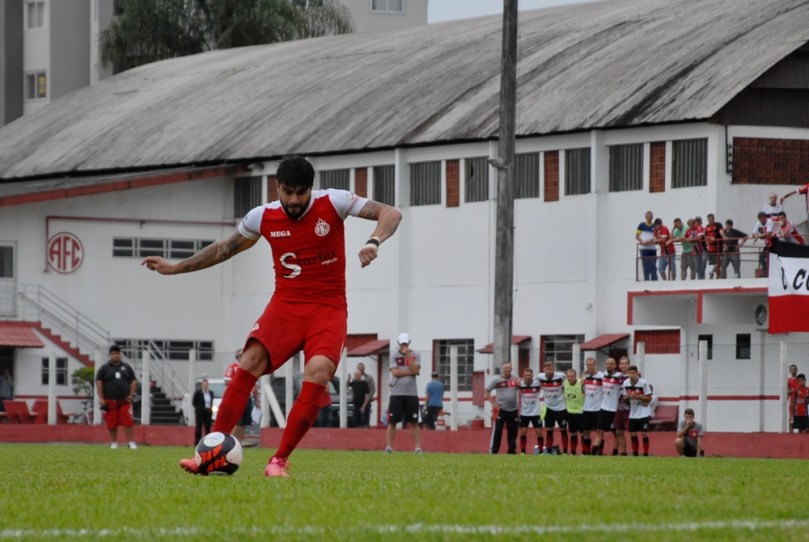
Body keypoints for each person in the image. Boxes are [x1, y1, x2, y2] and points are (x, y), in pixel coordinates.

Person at [142, 156, 402, 477]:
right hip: (285, 305)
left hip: (327, 307)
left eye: (301, 193)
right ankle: (207, 454)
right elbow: (225, 248)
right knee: (248, 362)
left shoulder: (334, 201)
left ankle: (278, 460)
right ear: (277, 186)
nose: (294, 200)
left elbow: (391, 212)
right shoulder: (261, 217)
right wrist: (175, 267)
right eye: (288, 191)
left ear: (311, 188)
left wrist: (374, 241)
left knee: (319, 372)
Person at [95, 344, 138, 449]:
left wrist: (131, 395)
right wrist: (101, 398)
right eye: (113, 353)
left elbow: (133, 381)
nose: (115, 356)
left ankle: (131, 442)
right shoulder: (104, 368)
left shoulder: (126, 367)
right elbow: (99, 383)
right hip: (110, 400)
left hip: (125, 400)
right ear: (110, 355)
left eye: (117, 353)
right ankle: (114, 443)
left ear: (120, 355)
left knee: (128, 420)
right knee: (111, 422)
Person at [385, 332, 423, 453]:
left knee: (414, 422)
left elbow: (416, 369)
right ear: (398, 343)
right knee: (393, 422)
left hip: (411, 393)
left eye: (405, 343)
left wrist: (408, 356)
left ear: (409, 343)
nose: (404, 346)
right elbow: (395, 372)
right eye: (402, 344)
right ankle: (389, 447)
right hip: (397, 393)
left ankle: (417, 448)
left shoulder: (416, 354)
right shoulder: (393, 355)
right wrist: (411, 372)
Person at [484, 361, 519, 454]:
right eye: (506, 368)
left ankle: (512, 451)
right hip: (501, 410)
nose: (507, 370)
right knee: (497, 431)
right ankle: (493, 451)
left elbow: (522, 386)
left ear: (511, 369)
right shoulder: (496, 379)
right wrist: (492, 402)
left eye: (509, 368)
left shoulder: (515, 379)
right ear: (502, 369)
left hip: (513, 409)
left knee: (513, 431)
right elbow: (486, 390)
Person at [622, 364, 653, 456]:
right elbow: (625, 396)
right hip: (633, 412)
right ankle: (635, 453)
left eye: (633, 373)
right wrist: (627, 397)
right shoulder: (626, 383)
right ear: (627, 373)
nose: (631, 375)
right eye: (630, 373)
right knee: (633, 433)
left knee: (644, 433)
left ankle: (645, 453)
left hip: (643, 412)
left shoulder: (643, 383)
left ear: (637, 373)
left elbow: (649, 398)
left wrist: (637, 396)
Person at [592, 357, 621, 455]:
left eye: (611, 364)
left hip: (614, 410)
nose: (609, 365)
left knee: (615, 432)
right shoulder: (602, 375)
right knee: (599, 431)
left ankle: (615, 452)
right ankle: (593, 453)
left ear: (615, 365)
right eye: (607, 363)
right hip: (604, 408)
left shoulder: (619, 376)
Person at [538, 361, 568, 454]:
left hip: (561, 408)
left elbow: (571, 378)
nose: (549, 370)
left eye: (551, 368)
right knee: (549, 430)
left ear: (553, 369)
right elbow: (530, 380)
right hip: (549, 408)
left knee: (563, 430)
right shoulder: (540, 377)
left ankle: (565, 452)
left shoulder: (560, 376)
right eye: (547, 369)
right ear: (544, 370)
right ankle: (549, 451)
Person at [226, 350, 255, 442]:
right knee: (238, 420)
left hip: (248, 397)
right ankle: (231, 440)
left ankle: (240, 442)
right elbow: (227, 381)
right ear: (237, 357)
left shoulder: (250, 367)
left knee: (245, 422)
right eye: (241, 355)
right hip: (238, 396)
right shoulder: (232, 367)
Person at [517, 367, 543, 454]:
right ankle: (523, 452)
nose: (527, 377)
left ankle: (541, 451)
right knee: (523, 432)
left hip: (536, 412)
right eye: (526, 375)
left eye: (529, 375)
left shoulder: (537, 383)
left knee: (539, 432)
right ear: (523, 376)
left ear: (532, 375)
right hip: (524, 413)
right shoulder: (520, 383)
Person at [581, 357, 603, 455]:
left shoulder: (601, 376)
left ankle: (599, 452)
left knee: (599, 431)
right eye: (588, 365)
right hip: (587, 408)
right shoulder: (585, 377)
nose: (590, 367)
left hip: (598, 409)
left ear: (595, 365)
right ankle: (586, 452)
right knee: (586, 431)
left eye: (591, 365)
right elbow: (583, 390)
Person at [613, 356, 632, 456]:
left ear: (629, 364)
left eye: (626, 363)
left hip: (631, 408)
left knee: (631, 431)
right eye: (622, 363)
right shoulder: (618, 376)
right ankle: (623, 452)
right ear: (619, 365)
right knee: (619, 430)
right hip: (620, 407)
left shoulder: (633, 376)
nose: (624, 365)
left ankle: (636, 452)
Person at [563, 368, 585, 455]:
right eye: (569, 376)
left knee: (583, 433)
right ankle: (573, 452)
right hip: (570, 412)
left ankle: (584, 452)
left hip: (581, 412)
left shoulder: (581, 383)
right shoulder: (564, 383)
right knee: (572, 433)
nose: (571, 378)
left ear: (576, 376)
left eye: (572, 376)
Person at [750, 211, 775, 276]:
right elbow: (753, 234)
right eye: (760, 219)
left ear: (766, 218)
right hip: (768, 244)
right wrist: (756, 235)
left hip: (775, 241)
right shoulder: (758, 223)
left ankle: (774, 273)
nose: (762, 220)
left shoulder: (770, 221)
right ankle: (766, 273)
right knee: (761, 257)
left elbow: (768, 233)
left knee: (773, 258)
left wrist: (758, 236)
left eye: (763, 218)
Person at [636, 211, 657, 281]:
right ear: (645, 217)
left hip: (652, 249)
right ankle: (646, 281)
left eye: (650, 216)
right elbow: (637, 236)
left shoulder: (655, 226)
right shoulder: (641, 225)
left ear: (652, 217)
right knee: (646, 266)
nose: (649, 218)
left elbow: (656, 237)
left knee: (653, 266)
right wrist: (642, 242)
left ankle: (654, 281)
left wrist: (649, 241)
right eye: (648, 216)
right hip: (644, 249)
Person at [192, 378, 214, 446]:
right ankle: (197, 442)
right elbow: (194, 402)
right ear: (201, 385)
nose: (205, 386)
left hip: (208, 412)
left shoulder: (211, 393)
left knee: (208, 427)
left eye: (206, 384)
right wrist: (199, 408)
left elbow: (212, 401)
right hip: (200, 412)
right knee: (199, 427)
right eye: (204, 384)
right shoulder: (198, 393)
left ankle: (207, 442)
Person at [356, 362, 376, 427]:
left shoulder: (369, 378)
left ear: (364, 368)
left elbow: (372, 389)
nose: (361, 369)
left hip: (367, 401)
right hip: (357, 402)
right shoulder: (354, 378)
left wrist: (368, 398)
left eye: (362, 367)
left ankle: (366, 428)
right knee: (357, 418)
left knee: (366, 418)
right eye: (359, 368)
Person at [704, 213, 723, 279]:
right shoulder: (706, 227)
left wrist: (724, 236)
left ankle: (712, 272)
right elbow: (705, 236)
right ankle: (718, 277)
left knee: (720, 262)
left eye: (712, 219)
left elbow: (721, 231)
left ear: (714, 219)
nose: (711, 220)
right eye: (709, 219)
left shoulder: (718, 225)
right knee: (716, 264)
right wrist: (709, 238)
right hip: (711, 248)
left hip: (719, 247)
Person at [788, 364, 800, 433]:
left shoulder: (800, 380)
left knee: (800, 417)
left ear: (797, 370)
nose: (793, 371)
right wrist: (791, 390)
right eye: (792, 369)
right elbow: (786, 391)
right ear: (790, 371)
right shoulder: (788, 380)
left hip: (800, 402)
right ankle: (790, 434)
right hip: (792, 401)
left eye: (794, 369)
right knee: (791, 418)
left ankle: (800, 435)